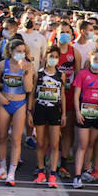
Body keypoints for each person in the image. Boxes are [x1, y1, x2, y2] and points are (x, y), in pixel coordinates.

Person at [0, 37, 34, 185]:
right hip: (4, 102)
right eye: (18, 51)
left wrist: (25, 71)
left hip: (20, 104)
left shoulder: (28, 66)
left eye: (23, 51)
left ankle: (12, 172)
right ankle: (2, 167)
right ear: (11, 51)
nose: (21, 54)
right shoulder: (3, 64)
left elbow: (29, 89)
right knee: (2, 136)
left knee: (16, 139)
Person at [72, 48, 98, 187]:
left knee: (91, 143)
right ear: (90, 59)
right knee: (82, 144)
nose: (97, 62)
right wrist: (77, 112)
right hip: (84, 113)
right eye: (95, 59)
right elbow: (76, 95)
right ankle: (77, 177)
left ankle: (85, 170)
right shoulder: (82, 75)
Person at [29, 44, 67, 186]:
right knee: (40, 143)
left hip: (54, 111)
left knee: (55, 144)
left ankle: (52, 174)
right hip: (40, 110)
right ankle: (40, 171)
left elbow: (62, 95)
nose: (54, 59)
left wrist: (64, 114)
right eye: (51, 56)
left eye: (56, 57)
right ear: (46, 57)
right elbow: (32, 94)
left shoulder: (60, 75)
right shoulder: (38, 74)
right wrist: (29, 112)